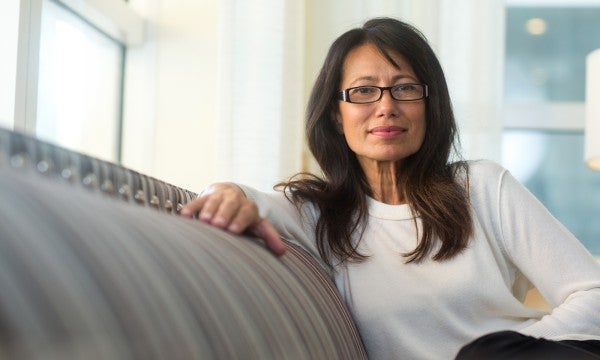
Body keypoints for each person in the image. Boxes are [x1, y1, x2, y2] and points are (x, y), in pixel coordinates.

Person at [181, 17, 600, 359]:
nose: (386, 106)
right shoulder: (319, 216)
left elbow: (592, 294)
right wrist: (226, 191)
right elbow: (251, 200)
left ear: (428, 104)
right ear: (334, 114)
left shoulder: (483, 187)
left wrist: (515, 349)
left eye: (404, 88)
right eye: (364, 91)